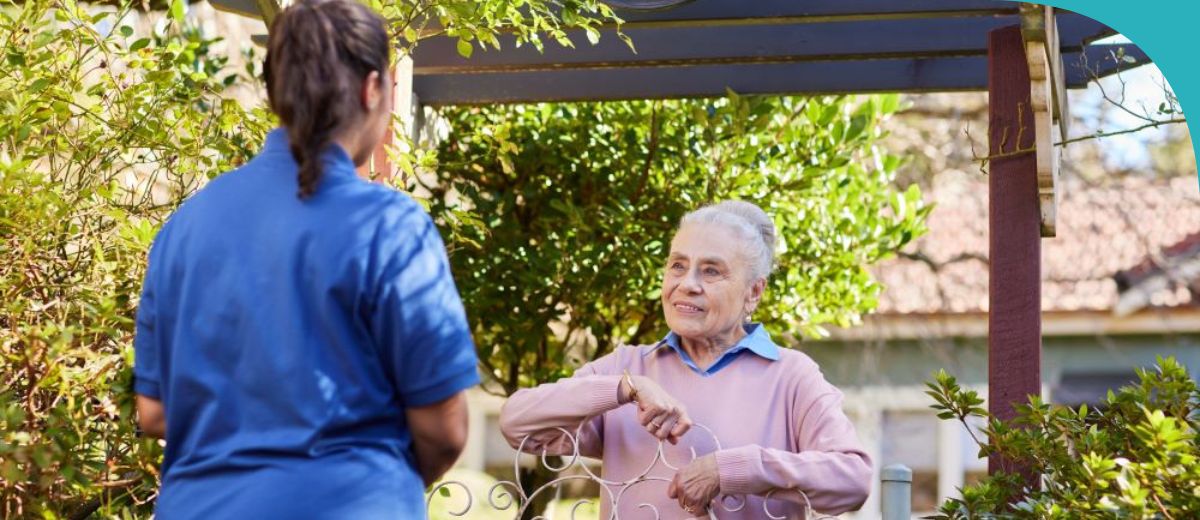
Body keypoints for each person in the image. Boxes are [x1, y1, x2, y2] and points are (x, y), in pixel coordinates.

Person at [132, 0, 479, 517]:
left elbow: (154, 411)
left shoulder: (185, 227)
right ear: (372, 89)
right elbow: (444, 429)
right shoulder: (389, 226)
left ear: (276, 93)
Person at [500, 201, 871, 519]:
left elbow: (853, 478)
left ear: (754, 292)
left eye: (711, 271)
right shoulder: (628, 368)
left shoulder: (791, 376)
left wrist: (731, 470)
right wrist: (624, 388)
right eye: (678, 266)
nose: (687, 283)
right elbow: (517, 423)